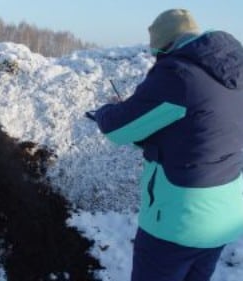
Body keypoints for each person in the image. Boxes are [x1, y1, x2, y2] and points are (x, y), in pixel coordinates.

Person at [89, 9, 243, 281]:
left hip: (177, 220)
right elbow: (202, 130)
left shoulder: (178, 74)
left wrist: (105, 111)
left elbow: (118, 128)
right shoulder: (234, 71)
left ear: (165, 46)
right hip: (224, 217)